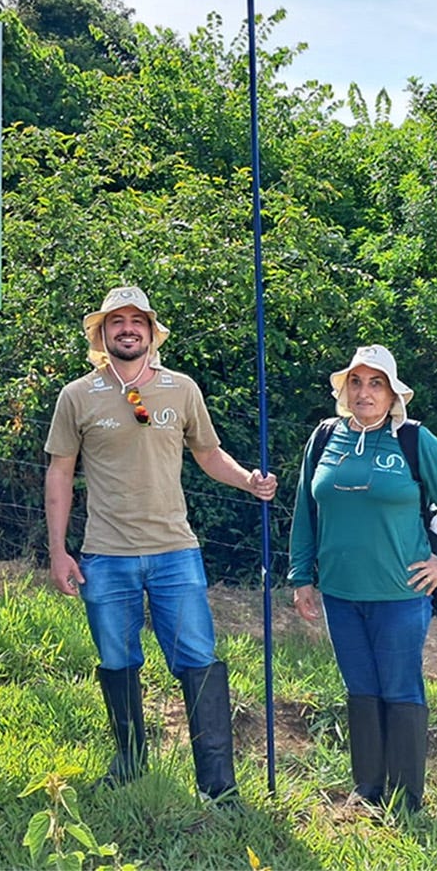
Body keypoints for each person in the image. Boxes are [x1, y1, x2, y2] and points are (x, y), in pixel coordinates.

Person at [44, 286, 278, 806]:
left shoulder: (182, 388)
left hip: (176, 552)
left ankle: (217, 785)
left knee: (197, 658)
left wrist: (249, 481)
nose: (127, 329)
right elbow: (60, 473)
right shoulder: (77, 395)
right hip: (105, 555)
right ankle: (130, 761)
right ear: (102, 334)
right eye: (117, 321)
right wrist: (58, 551)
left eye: (137, 321)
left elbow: (209, 454)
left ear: (151, 333)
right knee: (116, 660)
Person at [287, 344, 437, 814]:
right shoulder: (324, 437)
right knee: (361, 688)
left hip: (400, 595)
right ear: (344, 389)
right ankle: (367, 791)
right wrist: (301, 575)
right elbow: (305, 510)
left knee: (399, 689)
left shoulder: (414, 440)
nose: (365, 392)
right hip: (339, 593)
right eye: (356, 382)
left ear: (393, 393)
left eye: (376, 383)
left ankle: (406, 800)